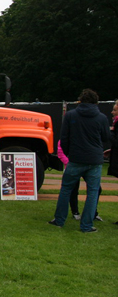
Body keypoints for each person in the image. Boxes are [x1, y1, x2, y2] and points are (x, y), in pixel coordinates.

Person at [49, 89, 110, 233]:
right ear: (96, 102)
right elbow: (106, 137)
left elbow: (64, 139)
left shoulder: (71, 115)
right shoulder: (101, 118)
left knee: (66, 189)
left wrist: (70, 153)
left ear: (80, 100)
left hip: (76, 158)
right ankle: (87, 226)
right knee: (93, 192)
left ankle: (59, 220)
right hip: (94, 159)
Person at [58, 142, 103, 221]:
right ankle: (75, 212)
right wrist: (68, 163)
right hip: (74, 164)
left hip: (86, 164)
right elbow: (61, 150)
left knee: (96, 189)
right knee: (73, 189)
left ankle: (93, 213)